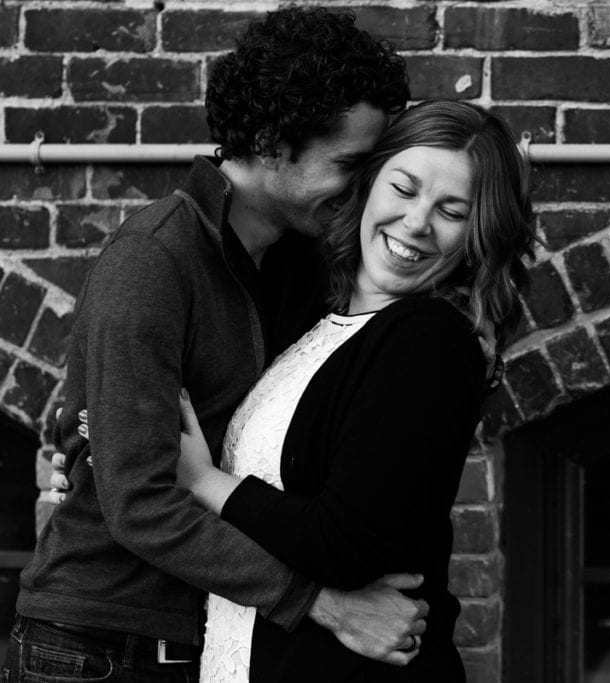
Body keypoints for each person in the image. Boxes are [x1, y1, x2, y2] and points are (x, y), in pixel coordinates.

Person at [4, 6, 429, 682]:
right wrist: (322, 602)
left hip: (210, 643)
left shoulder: (302, 268)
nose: (364, 188)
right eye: (349, 163)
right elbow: (140, 502)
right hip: (98, 650)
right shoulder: (154, 258)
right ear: (270, 143)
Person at [173, 99, 536, 681]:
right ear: (367, 184)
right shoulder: (315, 317)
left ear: (477, 237)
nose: (416, 223)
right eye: (403, 189)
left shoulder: (429, 340)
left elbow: (345, 545)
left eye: (451, 211)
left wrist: (199, 480)